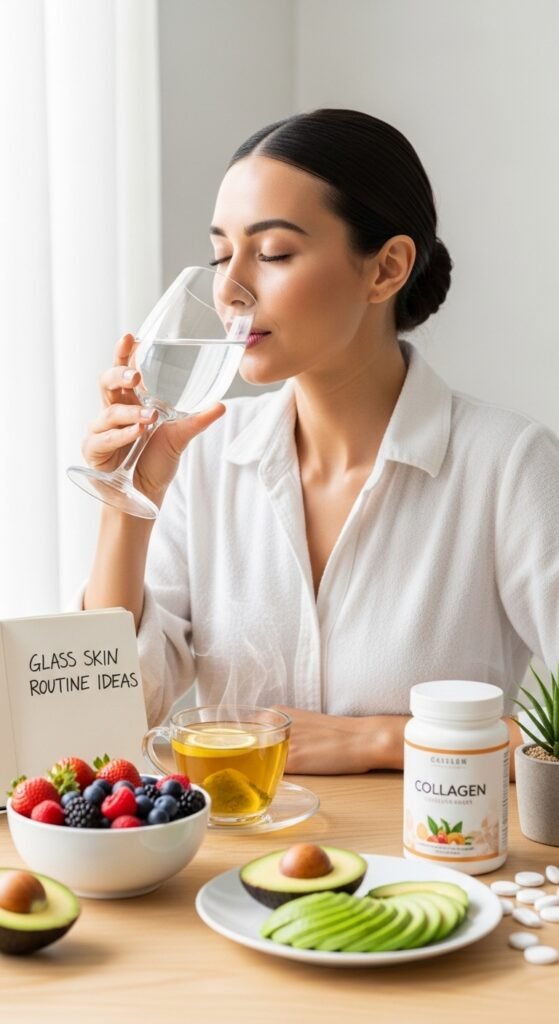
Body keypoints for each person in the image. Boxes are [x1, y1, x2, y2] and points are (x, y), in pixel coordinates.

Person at [78, 108, 559, 777]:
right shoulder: (205, 461)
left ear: (385, 269)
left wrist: (374, 741)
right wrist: (126, 499)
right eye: (220, 254)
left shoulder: (508, 466)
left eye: (272, 253)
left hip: (435, 865)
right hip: (233, 867)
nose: (228, 288)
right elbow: (112, 715)